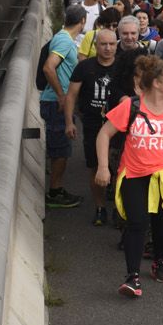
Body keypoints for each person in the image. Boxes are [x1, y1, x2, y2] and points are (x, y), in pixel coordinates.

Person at [94, 55, 163, 297]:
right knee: (137, 222)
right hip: (135, 173)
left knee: (162, 220)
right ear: (156, 83)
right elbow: (104, 134)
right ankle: (132, 276)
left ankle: (159, 261)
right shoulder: (132, 106)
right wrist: (103, 167)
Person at [64, 23, 123, 225]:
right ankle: (100, 207)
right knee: (96, 166)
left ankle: (118, 208)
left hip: (119, 126)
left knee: (119, 168)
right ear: (96, 46)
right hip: (92, 124)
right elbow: (71, 95)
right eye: (103, 44)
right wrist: (69, 122)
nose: (108, 48)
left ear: (117, 45)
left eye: (112, 44)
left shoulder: (123, 67)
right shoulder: (85, 67)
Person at [41, 5, 88, 209]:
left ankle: (57, 189)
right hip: (56, 103)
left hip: (57, 101)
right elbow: (49, 67)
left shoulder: (63, 38)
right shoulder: (64, 40)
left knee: (61, 148)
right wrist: (62, 95)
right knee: (60, 149)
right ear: (83, 21)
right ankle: (55, 192)